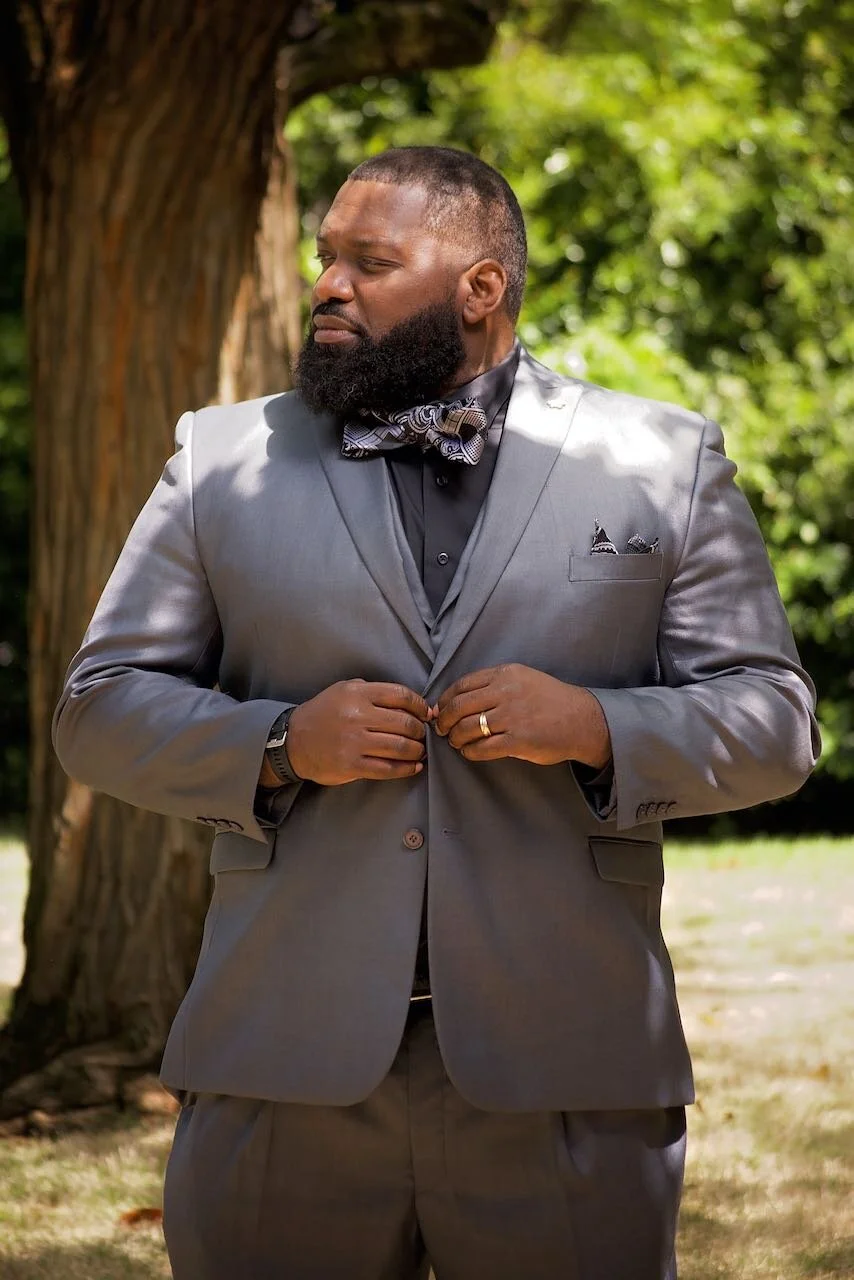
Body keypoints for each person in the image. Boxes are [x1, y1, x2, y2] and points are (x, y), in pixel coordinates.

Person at [53, 146, 819, 1279]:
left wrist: (599, 726)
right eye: (325, 256)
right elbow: (99, 707)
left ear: (478, 287)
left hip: (566, 1065)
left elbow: (772, 720)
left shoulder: (662, 460)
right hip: (283, 1057)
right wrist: (276, 742)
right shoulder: (219, 460)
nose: (327, 282)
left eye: (371, 259)